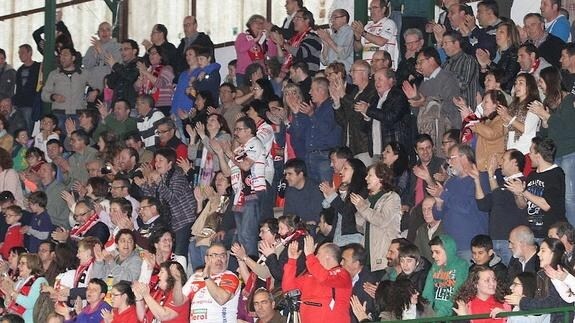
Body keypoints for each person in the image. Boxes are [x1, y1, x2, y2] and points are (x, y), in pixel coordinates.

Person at [428, 144, 489, 261]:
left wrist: (443, 195)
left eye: (452, 158)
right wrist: (439, 203)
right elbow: (437, 215)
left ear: (464, 157)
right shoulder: (450, 182)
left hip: (470, 245)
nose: (449, 163)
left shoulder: (480, 178)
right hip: (450, 245)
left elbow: (467, 207)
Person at [137, 147, 196, 256]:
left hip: (184, 221)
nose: (157, 164)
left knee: (179, 253)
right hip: (171, 222)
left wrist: (158, 182)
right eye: (156, 161)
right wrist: (145, 184)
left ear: (169, 164)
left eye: (161, 160)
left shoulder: (177, 177)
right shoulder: (161, 178)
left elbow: (172, 199)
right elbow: (152, 200)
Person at [506, 137, 566, 239]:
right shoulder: (531, 175)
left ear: (538, 155)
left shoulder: (555, 173)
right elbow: (522, 205)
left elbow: (547, 205)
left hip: (550, 234)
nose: (529, 155)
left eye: (531, 152)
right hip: (534, 233)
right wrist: (518, 194)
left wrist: (523, 191)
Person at [283, 236, 352, 322]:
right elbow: (288, 289)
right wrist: (292, 261)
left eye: (318, 254)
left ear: (328, 256)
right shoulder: (310, 276)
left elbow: (324, 278)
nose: (315, 256)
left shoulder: (342, 274)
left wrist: (309, 256)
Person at [505, 238, 573, 323]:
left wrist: (522, 302)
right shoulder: (542, 275)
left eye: (543, 251)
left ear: (554, 253)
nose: (538, 254)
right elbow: (540, 305)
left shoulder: (560, 274)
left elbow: (551, 303)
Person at [351, 161, 401, 272]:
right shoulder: (368, 200)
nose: (366, 178)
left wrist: (363, 208)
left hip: (384, 259)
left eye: (370, 175)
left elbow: (382, 221)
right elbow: (359, 227)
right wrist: (359, 207)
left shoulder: (392, 198)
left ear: (381, 178)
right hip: (368, 258)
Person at [182, 242, 241, 322]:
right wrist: (177, 281)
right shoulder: (195, 277)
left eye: (222, 256)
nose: (219, 259)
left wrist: (207, 277)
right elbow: (179, 302)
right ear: (206, 259)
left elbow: (221, 299)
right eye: (214, 255)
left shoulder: (230, 276)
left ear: (227, 259)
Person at [320, 158, 367, 247]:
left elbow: (349, 213)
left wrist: (333, 197)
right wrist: (328, 199)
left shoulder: (363, 191)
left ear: (356, 171)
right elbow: (330, 219)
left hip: (353, 240)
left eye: (345, 168)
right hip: (337, 239)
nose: (341, 172)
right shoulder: (342, 191)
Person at [422, 234, 469, 317]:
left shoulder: (461, 265)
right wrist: (427, 311)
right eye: (432, 252)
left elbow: (456, 292)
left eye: (437, 252)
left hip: (453, 313)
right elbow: (427, 292)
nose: (433, 256)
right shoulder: (435, 266)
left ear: (448, 250)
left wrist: (441, 314)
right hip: (435, 314)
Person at [270, 8, 322, 75]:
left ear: (307, 21)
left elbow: (301, 53)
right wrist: (278, 43)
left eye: (297, 18)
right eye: (294, 18)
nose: (294, 21)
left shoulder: (313, 37)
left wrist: (283, 44)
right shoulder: (293, 39)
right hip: (293, 76)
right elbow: (281, 60)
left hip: (307, 77)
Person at [0, 253, 47, 322]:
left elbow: (29, 304)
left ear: (31, 265)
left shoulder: (40, 281)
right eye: (19, 263)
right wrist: (7, 294)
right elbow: (9, 306)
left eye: (22, 263)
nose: (19, 266)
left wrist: (11, 291)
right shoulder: (20, 281)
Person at [476, 20, 521, 93]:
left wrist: (489, 62)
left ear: (510, 36)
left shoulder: (515, 53)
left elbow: (506, 77)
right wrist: (483, 67)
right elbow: (483, 84)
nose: (497, 34)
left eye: (501, 32)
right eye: (497, 32)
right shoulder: (494, 54)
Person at [352, 0, 399, 69]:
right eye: (370, 9)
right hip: (369, 69)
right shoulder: (367, 27)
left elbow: (381, 42)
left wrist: (362, 32)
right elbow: (357, 48)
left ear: (383, 9)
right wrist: (357, 37)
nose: (372, 11)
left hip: (383, 69)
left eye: (375, 7)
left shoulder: (389, 23)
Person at [234, 14, 278, 87]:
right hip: (244, 73)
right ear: (250, 23)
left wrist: (269, 38)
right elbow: (240, 48)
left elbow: (272, 54)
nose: (259, 25)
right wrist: (255, 39)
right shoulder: (242, 36)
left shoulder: (264, 39)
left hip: (260, 73)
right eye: (256, 22)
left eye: (262, 23)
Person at [134, 45, 175, 117]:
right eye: (149, 53)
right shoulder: (148, 70)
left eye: (153, 53)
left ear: (161, 56)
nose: (150, 56)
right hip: (147, 107)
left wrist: (145, 72)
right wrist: (141, 75)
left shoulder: (167, 68)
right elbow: (136, 88)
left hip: (163, 106)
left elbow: (160, 83)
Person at [283, 158, 324, 226]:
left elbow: (317, 216)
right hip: (298, 227)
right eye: (286, 174)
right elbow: (288, 216)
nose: (286, 177)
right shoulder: (289, 191)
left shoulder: (315, 189)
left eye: (290, 174)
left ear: (301, 174)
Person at [83, 22, 122, 91]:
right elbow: (86, 66)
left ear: (111, 33)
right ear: (98, 33)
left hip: (110, 88)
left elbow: (115, 66)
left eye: (107, 30)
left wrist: (100, 51)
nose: (104, 32)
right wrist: (94, 55)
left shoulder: (118, 47)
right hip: (93, 89)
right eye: (102, 30)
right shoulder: (91, 48)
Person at [106, 39, 140, 108]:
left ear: (134, 51)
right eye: (121, 50)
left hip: (130, 107)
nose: (122, 52)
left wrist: (115, 65)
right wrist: (113, 68)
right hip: (117, 106)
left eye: (126, 49)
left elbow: (131, 77)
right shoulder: (121, 66)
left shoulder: (139, 63)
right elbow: (110, 84)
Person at [414, 196, 443, 264]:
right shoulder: (421, 230)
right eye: (424, 209)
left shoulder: (447, 229)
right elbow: (417, 254)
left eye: (430, 209)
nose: (426, 213)